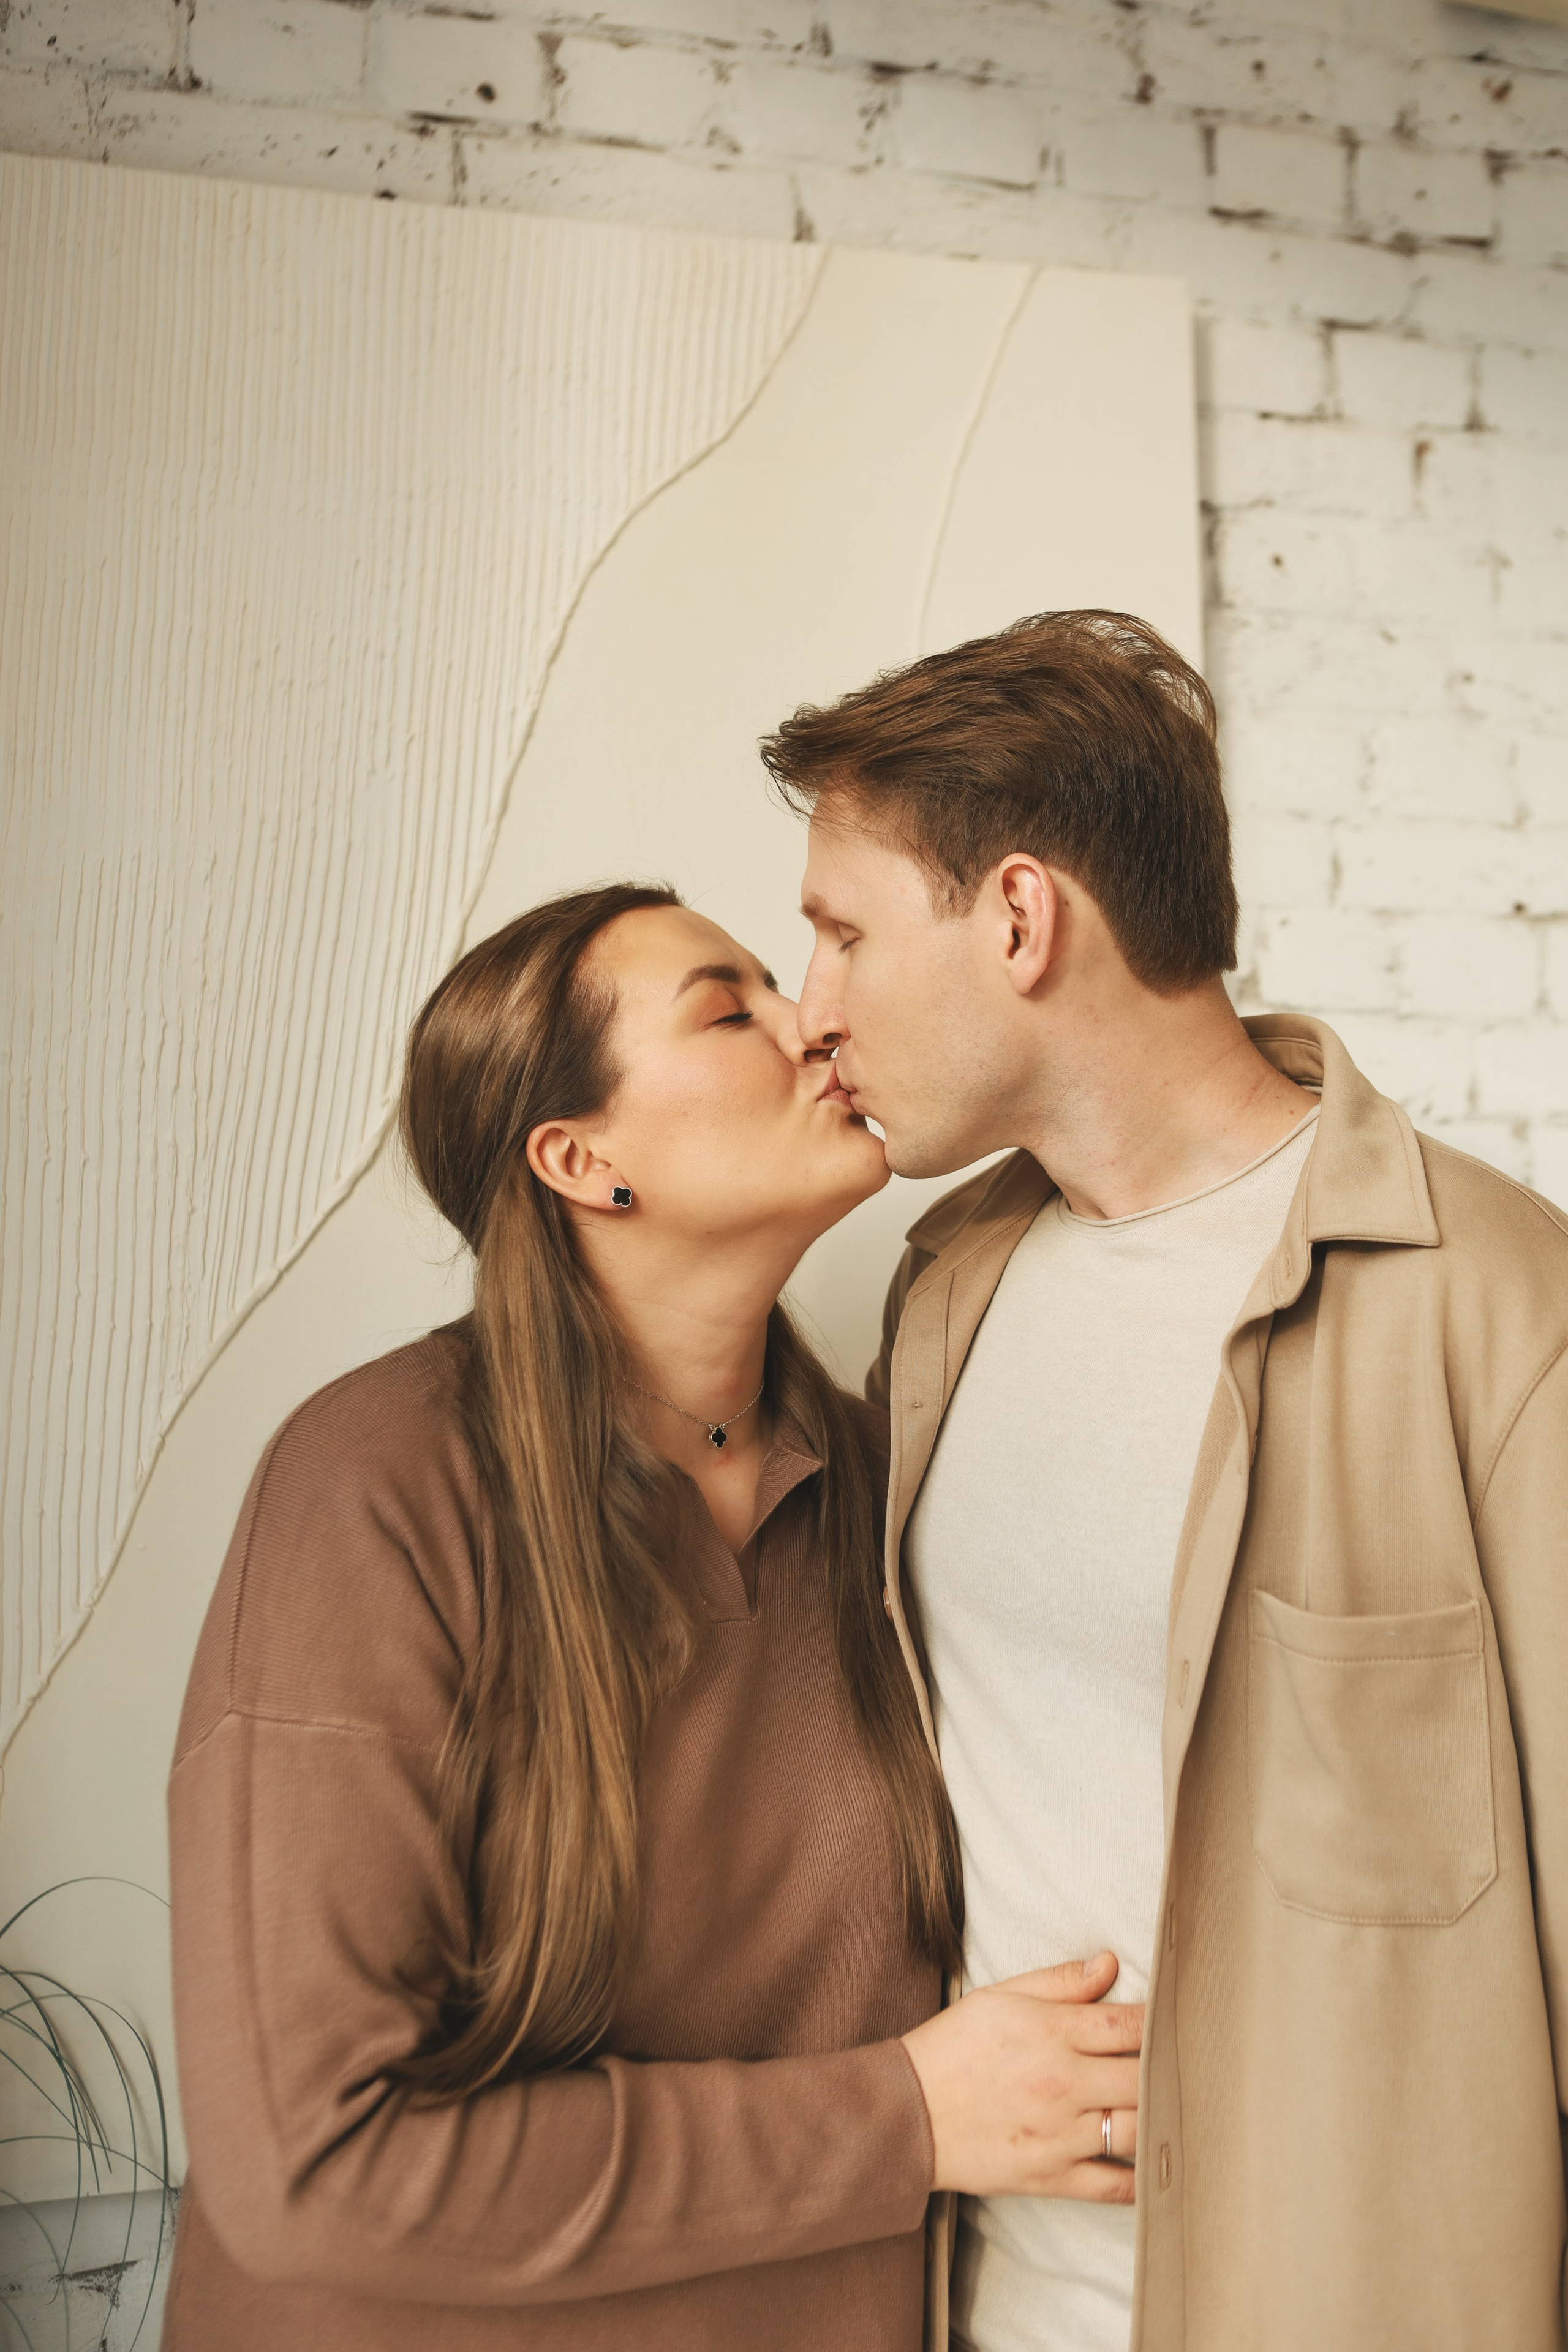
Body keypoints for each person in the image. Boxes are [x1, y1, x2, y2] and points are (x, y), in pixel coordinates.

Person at [163, 880, 1144, 2352]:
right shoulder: (372, 1488)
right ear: (580, 1158)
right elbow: (318, 2161)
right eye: (725, 1005)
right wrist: (904, 2118)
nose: (814, 1021)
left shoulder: (889, 1485)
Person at [766, 610, 1568, 2352]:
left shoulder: (1503, 1310)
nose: (808, 1014)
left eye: (841, 934)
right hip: (979, 2305)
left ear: (1024, 918)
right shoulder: (947, 1287)